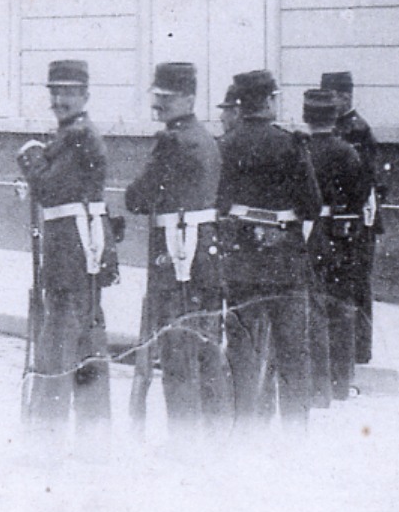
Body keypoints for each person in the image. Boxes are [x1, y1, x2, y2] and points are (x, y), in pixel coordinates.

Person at [125, 61, 229, 432]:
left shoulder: (172, 141)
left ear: (187, 98)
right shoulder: (207, 139)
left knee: (177, 348)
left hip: (176, 255)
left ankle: (184, 440)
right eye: (157, 97)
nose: (158, 106)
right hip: (206, 254)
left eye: (166, 99)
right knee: (206, 345)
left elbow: (137, 197)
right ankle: (217, 431)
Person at [216, 70, 321, 427]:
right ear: (271, 100)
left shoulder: (226, 145)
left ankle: (244, 429)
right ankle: (294, 434)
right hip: (286, 263)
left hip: (241, 261)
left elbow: (218, 202)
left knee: (242, 351)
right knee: (293, 352)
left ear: (242, 104)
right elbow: (311, 205)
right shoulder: (291, 144)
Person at [17, 60, 113, 442]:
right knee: (86, 345)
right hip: (78, 252)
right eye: (54, 92)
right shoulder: (72, 134)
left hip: (72, 255)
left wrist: (29, 156)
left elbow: (49, 188)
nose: (59, 100)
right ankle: (94, 436)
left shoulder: (78, 136)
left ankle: (45, 439)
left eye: (68, 93)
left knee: (58, 347)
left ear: (85, 96)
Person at [302, 89, 370, 403]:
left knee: (310, 308)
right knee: (340, 309)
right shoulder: (348, 152)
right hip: (340, 236)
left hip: (306, 233)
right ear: (333, 118)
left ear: (306, 117)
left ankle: (314, 386)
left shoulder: (301, 150)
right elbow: (360, 194)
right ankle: (340, 385)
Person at [322, 71, 389, 364]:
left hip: (359, 219)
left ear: (345, 96)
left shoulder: (358, 130)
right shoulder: (338, 127)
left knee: (358, 282)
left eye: (331, 97)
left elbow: (371, 181)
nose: (327, 103)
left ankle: (360, 349)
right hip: (341, 217)